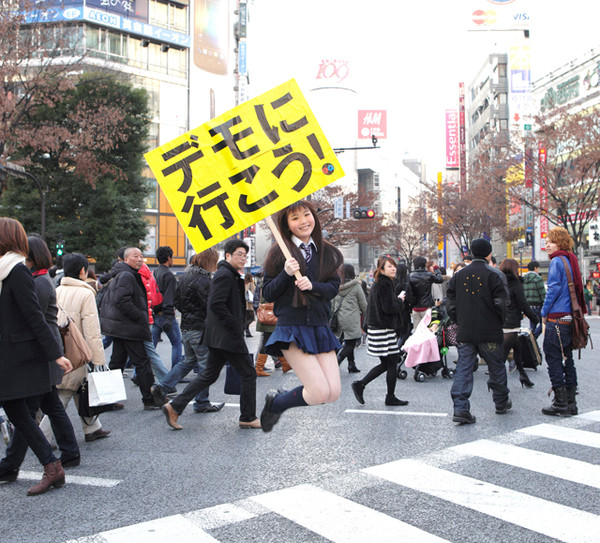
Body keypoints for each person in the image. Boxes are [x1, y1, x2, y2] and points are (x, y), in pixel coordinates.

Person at [0, 218, 73, 495]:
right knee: (19, 413)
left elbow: (35, 317)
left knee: (19, 412)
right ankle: (50, 466)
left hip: (22, 356)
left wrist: (56, 355)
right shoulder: (5, 271)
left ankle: (49, 466)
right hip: (11, 354)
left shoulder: (16, 271)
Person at [258, 200, 344, 433]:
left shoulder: (327, 251)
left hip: (319, 326)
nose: (303, 221)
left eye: (306, 215)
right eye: (295, 218)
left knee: (333, 393)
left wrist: (313, 286)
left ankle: (279, 400)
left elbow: (333, 288)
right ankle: (276, 404)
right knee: (317, 392)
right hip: (291, 327)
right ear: (286, 225)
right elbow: (268, 292)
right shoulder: (279, 252)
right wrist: (286, 274)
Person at [162, 240, 260, 430]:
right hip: (227, 336)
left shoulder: (229, 274)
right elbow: (216, 304)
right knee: (248, 373)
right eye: (239, 254)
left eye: (245, 255)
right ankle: (248, 417)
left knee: (208, 375)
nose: (243, 258)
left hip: (218, 336)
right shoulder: (225, 275)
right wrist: (234, 326)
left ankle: (174, 406)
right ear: (228, 255)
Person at [40, 252, 112, 447]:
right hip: (78, 352)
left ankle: (92, 427)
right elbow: (92, 331)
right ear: (83, 271)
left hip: (60, 348)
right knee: (64, 393)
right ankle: (42, 436)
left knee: (81, 389)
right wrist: (99, 360)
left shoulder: (56, 290)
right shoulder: (85, 293)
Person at [151, 249, 224, 413]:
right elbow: (210, 304)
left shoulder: (185, 275)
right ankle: (202, 402)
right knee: (206, 367)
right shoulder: (204, 279)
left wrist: (188, 313)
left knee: (188, 361)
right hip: (200, 328)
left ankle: (162, 386)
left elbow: (176, 300)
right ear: (210, 261)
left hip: (187, 325)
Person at [446, 238, 510, 425]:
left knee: (464, 367)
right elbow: (502, 303)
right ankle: (501, 402)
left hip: (466, 329)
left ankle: (460, 408)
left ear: (472, 253)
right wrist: (498, 321)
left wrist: (458, 320)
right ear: (489, 254)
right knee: (496, 366)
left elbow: (450, 302)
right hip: (489, 329)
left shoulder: (458, 276)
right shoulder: (495, 275)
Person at [100, 247, 161, 410]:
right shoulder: (127, 275)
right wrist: (139, 316)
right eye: (136, 256)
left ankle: (109, 399)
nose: (140, 259)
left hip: (121, 326)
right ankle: (149, 399)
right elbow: (123, 301)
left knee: (117, 362)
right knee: (141, 362)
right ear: (125, 259)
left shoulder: (124, 273)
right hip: (129, 327)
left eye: (141, 256)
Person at [351, 256, 409, 407]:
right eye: (389, 266)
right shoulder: (385, 284)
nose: (393, 269)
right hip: (383, 328)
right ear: (381, 269)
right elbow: (389, 308)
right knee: (391, 362)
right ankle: (388, 396)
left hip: (379, 327)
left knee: (389, 362)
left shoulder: (381, 283)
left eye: (394, 266)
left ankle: (362, 385)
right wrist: (400, 301)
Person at [541, 227, 586, 417]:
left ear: (560, 242)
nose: (547, 245)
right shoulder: (569, 259)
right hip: (569, 318)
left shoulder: (556, 262)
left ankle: (560, 403)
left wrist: (543, 313)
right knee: (567, 359)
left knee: (553, 358)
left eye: (550, 241)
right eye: (546, 242)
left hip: (557, 318)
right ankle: (571, 402)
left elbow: (552, 290)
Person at [499, 258, 539, 389]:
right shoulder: (516, 284)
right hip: (511, 322)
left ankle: (523, 375)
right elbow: (523, 304)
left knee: (517, 347)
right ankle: (497, 384)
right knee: (502, 357)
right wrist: (535, 319)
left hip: (500, 320)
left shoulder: (498, 282)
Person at [152, 246, 183, 369]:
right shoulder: (168, 275)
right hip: (166, 314)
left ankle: (138, 373)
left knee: (150, 345)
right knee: (176, 344)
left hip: (156, 313)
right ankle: (176, 373)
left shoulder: (155, 273)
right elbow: (169, 298)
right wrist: (170, 317)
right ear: (169, 258)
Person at [333, 264, 367, 373]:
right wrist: (366, 315)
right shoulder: (356, 286)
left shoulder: (336, 285)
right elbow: (363, 304)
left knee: (344, 340)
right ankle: (337, 361)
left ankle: (351, 365)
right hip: (352, 318)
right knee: (351, 343)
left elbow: (332, 302)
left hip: (339, 317)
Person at [408, 256, 443, 329]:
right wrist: (437, 270)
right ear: (424, 264)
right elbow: (440, 279)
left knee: (417, 332)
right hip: (427, 307)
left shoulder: (410, 276)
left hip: (415, 307)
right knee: (427, 331)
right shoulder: (428, 275)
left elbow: (408, 292)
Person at [522, 260, 545, 339]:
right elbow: (542, 293)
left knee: (532, 325)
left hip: (528, 306)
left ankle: (532, 341)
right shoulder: (538, 278)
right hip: (538, 305)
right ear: (535, 268)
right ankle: (533, 338)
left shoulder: (523, 279)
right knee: (543, 324)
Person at [244, 272, 256, 337]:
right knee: (251, 318)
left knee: (247, 318)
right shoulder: (251, 284)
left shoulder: (244, 284)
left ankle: (247, 331)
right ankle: (245, 327)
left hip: (245, 304)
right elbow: (254, 292)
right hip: (250, 304)